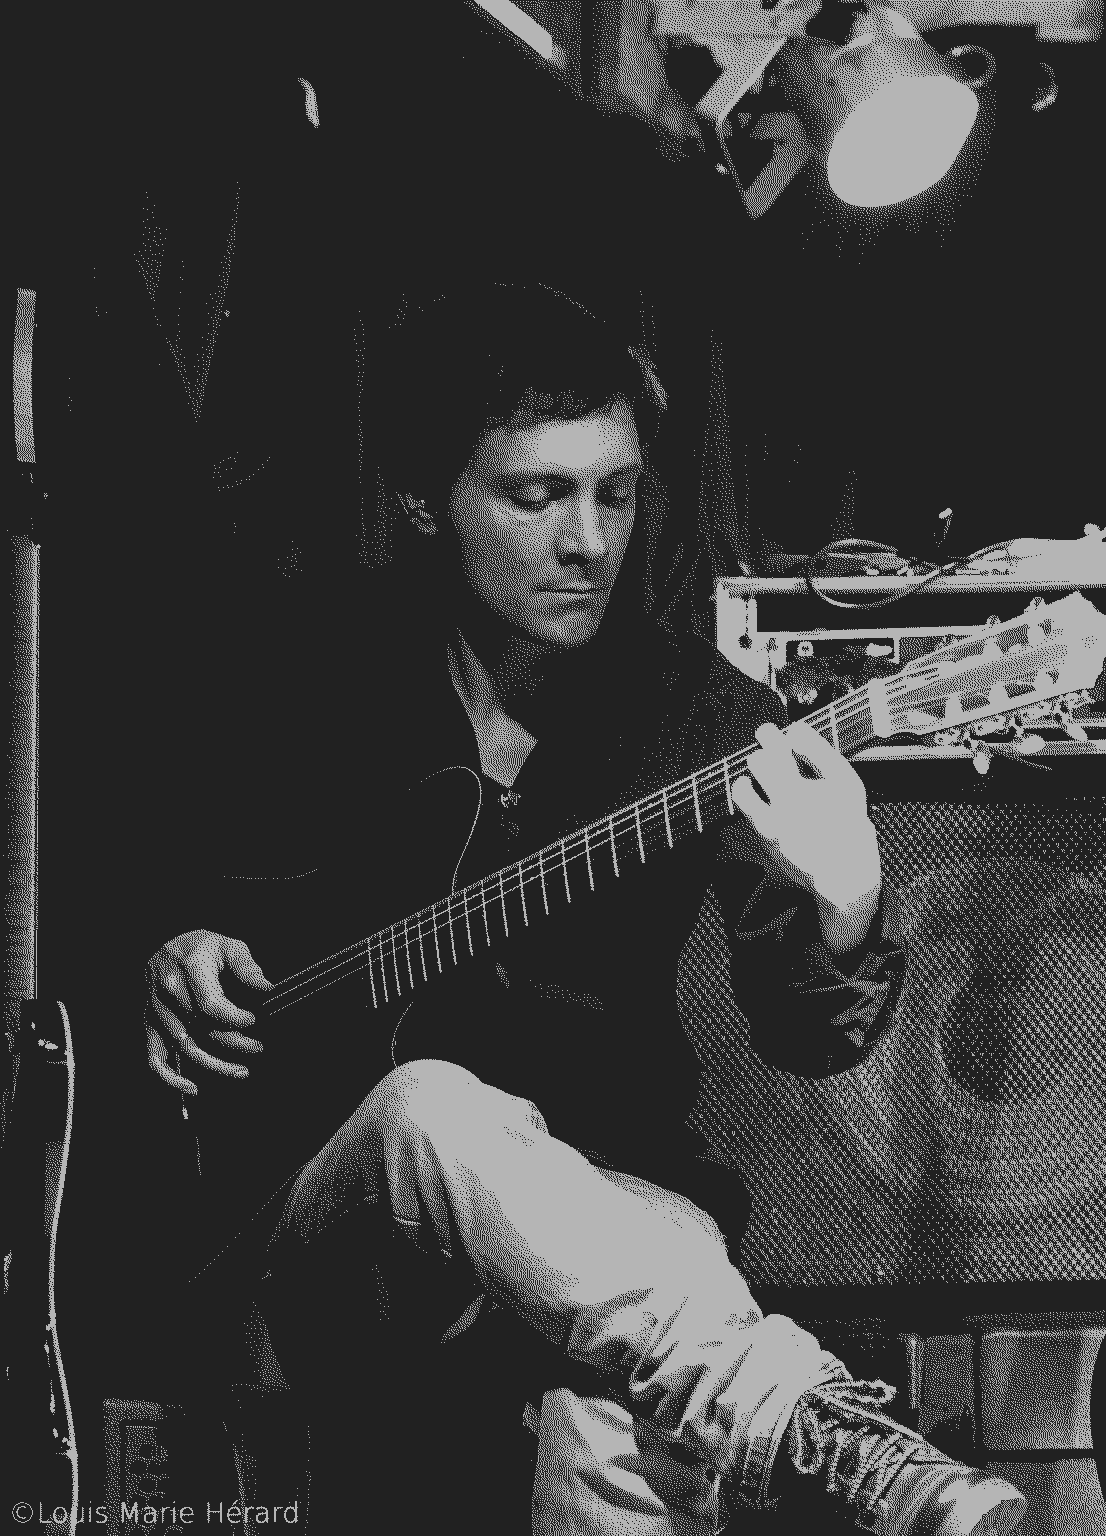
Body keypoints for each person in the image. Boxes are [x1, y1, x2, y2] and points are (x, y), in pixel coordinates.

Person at [143, 282, 1026, 1533]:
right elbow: (172, 890)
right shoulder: (308, 675)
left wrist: (843, 899)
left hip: (605, 1211)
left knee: (620, 1403)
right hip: (328, 1235)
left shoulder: (700, 722)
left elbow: (806, 1034)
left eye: (615, 492)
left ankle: (779, 1418)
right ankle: (786, 1416)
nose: (589, 541)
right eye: (536, 495)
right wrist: (172, 950)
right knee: (428, 1105)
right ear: (420, 503)